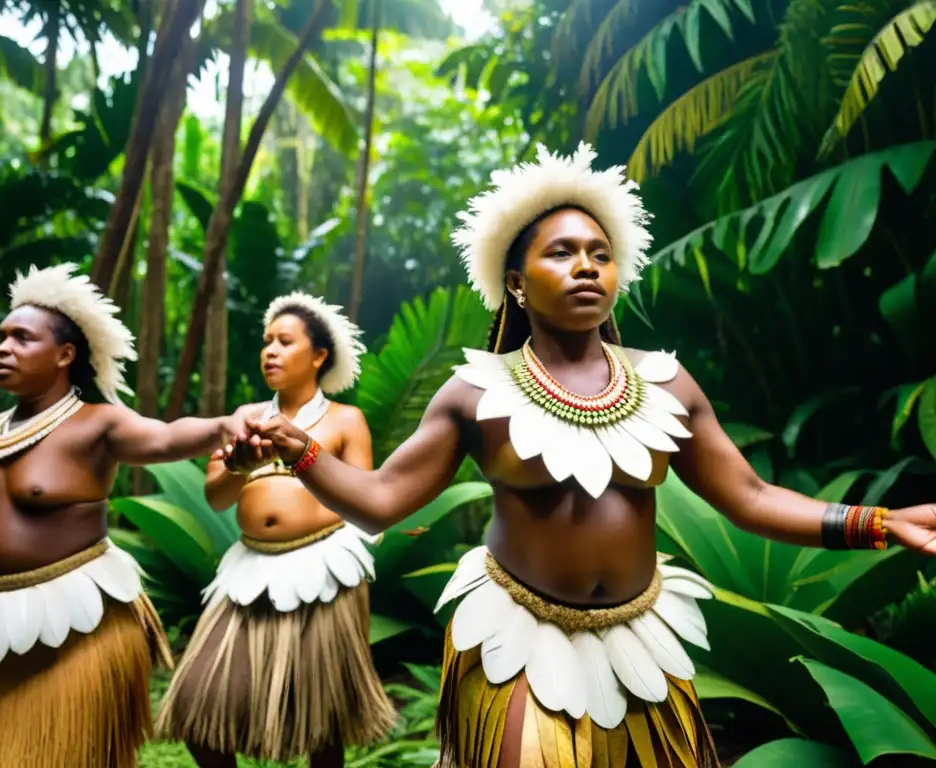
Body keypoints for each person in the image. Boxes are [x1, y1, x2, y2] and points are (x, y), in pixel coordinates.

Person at [229, 144, 936, 768]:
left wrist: (882, 523)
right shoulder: (475, 393)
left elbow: (749, 497)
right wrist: (304, 453)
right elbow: (382, 499)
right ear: (515, 281)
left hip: (641, 640)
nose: (586, 267)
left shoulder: (665, 383)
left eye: (600, 254)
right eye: (561, 253)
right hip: (518, 638)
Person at [0, 263, 252, 768]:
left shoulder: (98, 425)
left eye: (22, 338)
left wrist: (226, 426)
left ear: (64, 355)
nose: (2, 348)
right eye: (2, 337)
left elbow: (165, 437)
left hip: (80, 623)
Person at [155, 291, 397, 768]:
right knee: (199, 709)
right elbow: (217, 496)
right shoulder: (244, 418)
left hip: (325, 569)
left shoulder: (347, 421)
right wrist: (239, 467)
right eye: (267, 341)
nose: (270, 350)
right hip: (248, 570)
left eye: (285, 342)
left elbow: (365, 504)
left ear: (319, 355)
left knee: (322, 725)